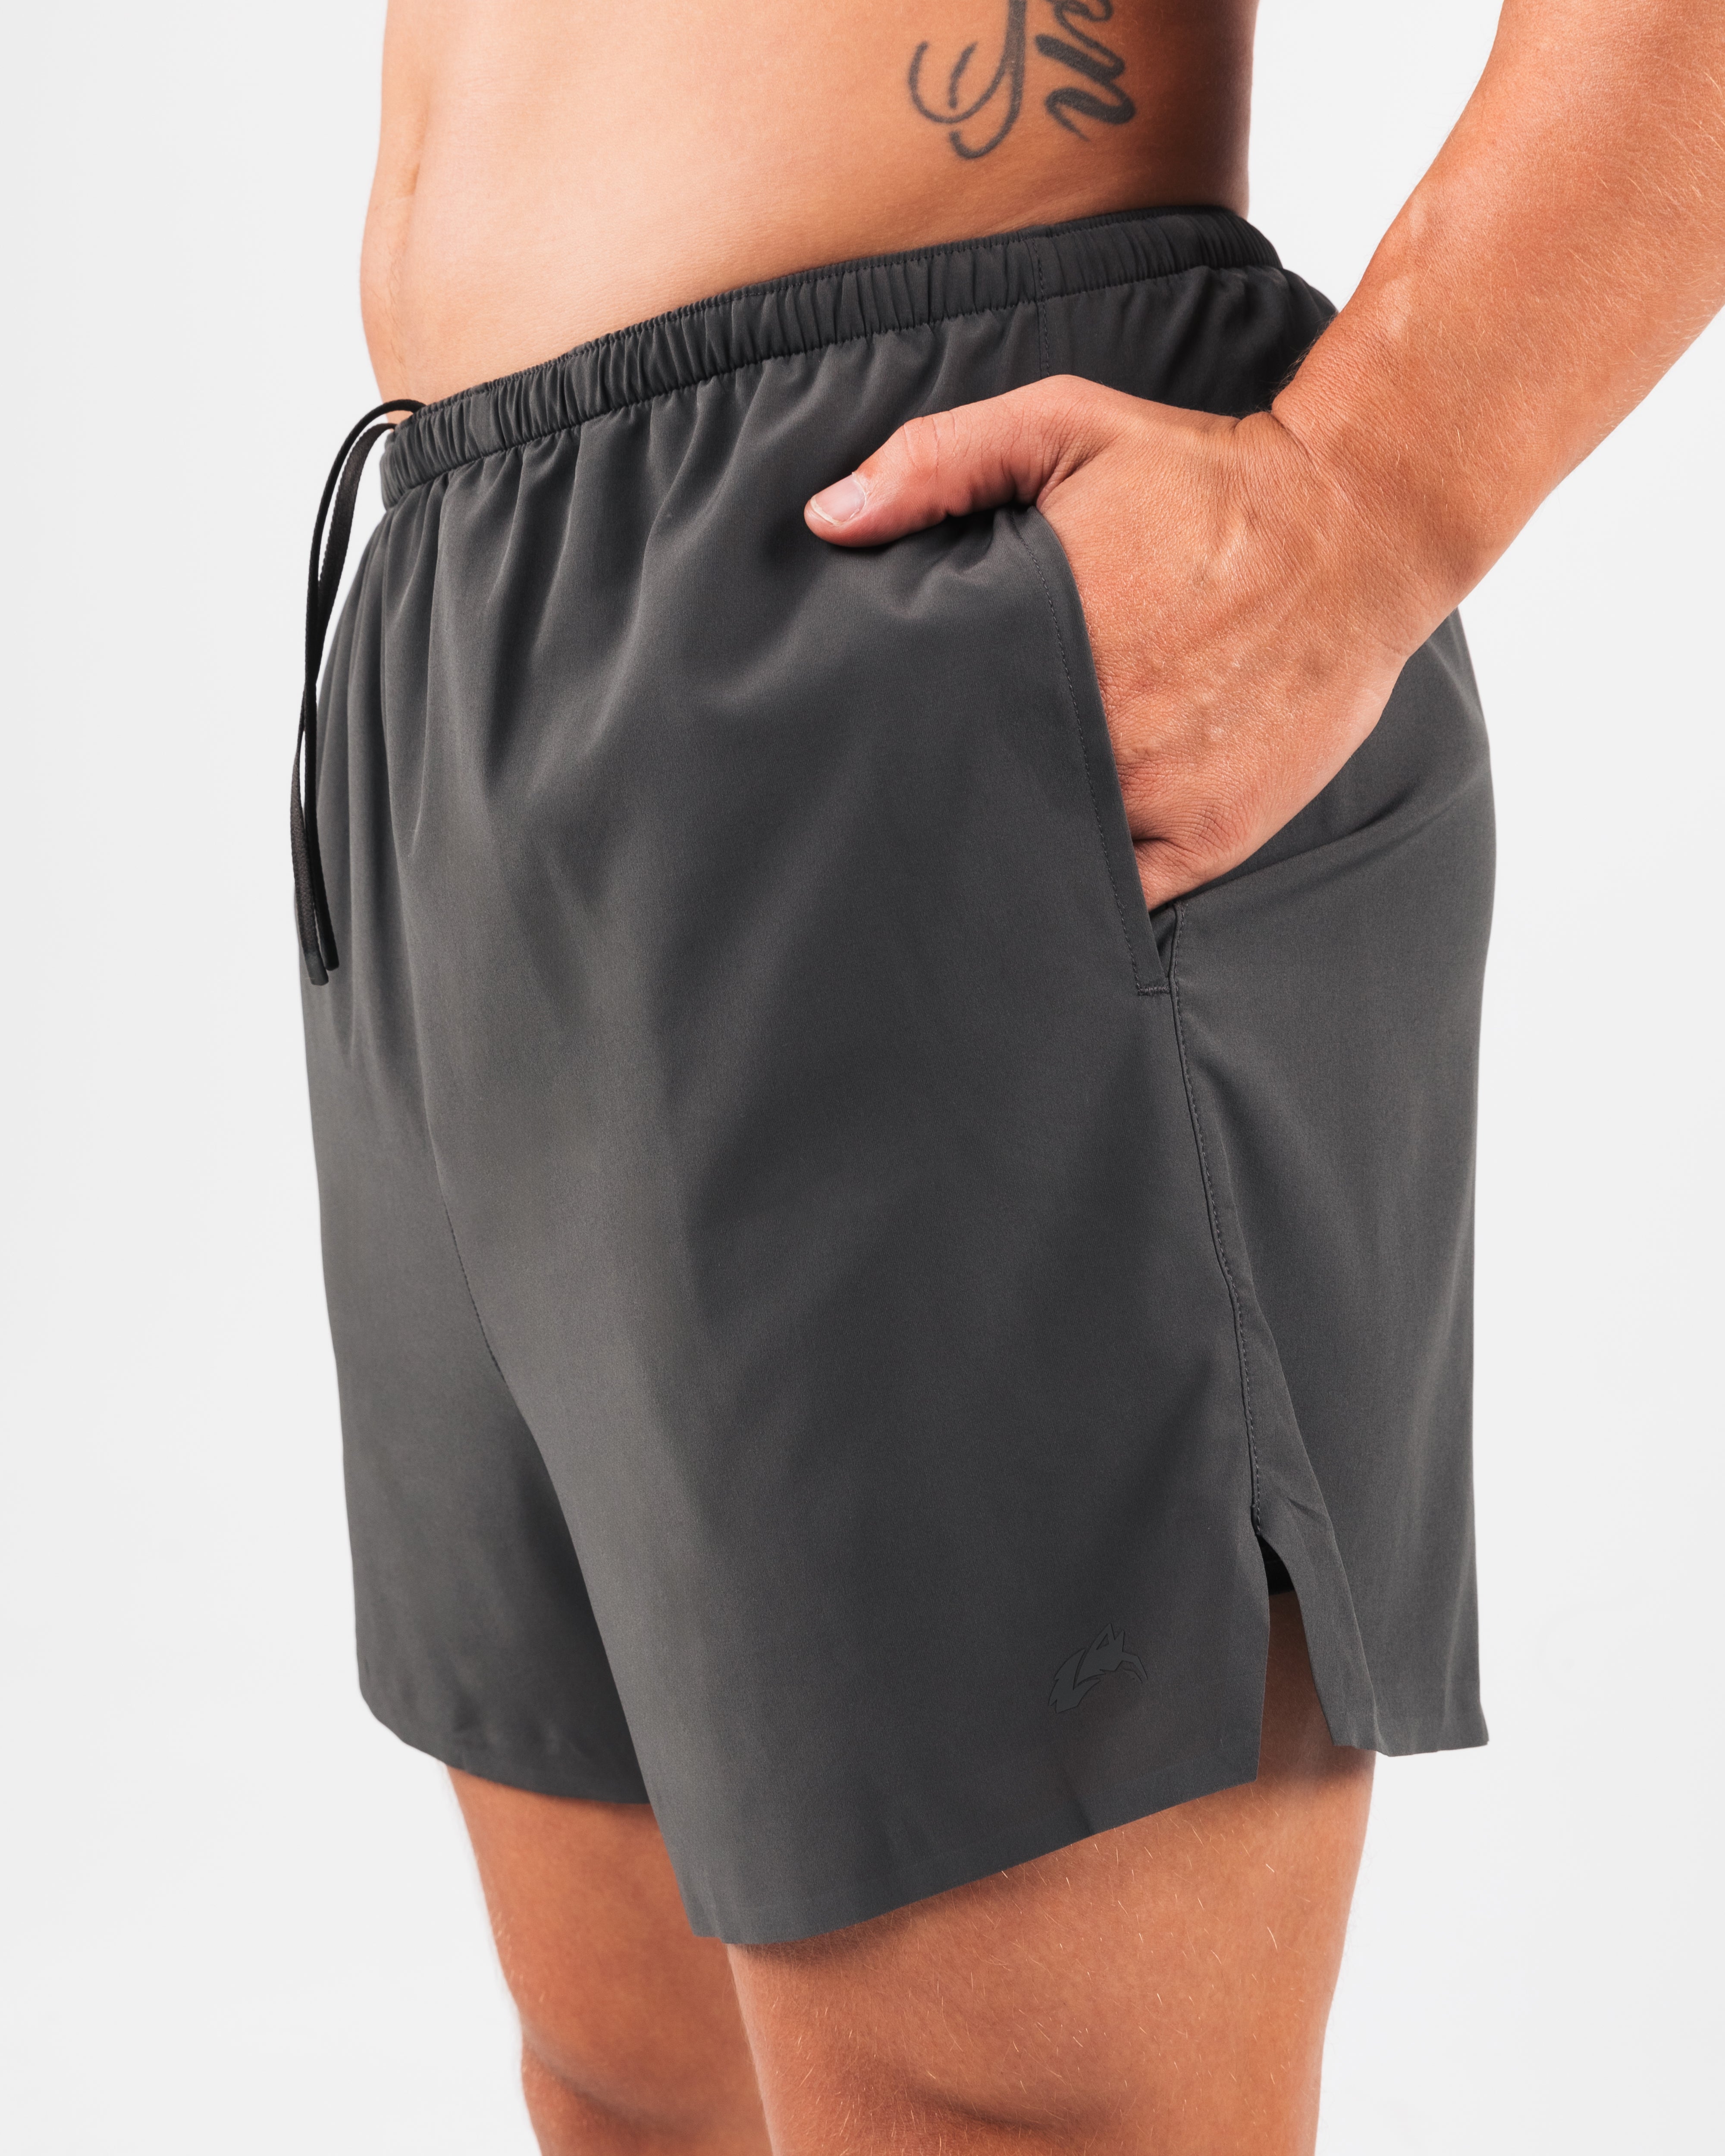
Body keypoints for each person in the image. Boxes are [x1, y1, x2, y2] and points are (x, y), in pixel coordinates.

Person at [291, 3, 1725, 2150]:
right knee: (631, 2082)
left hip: (931, 525)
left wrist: (1369, 496)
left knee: (1008, 2114)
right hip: (463, 604)